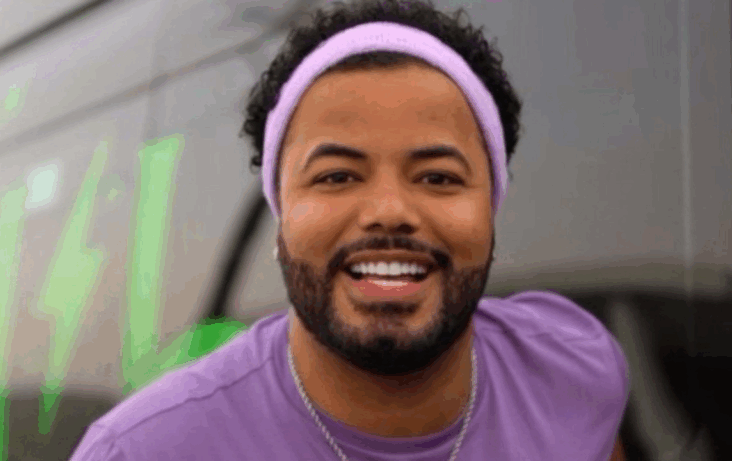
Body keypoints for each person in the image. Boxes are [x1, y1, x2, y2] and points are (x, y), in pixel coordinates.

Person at [70, 0, 629, 459]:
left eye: (437, 177)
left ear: (491, 208)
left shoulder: (574, 369)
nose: (389, 210)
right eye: (337, 176)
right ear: (281, 215)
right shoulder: (142, 450)